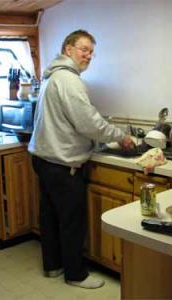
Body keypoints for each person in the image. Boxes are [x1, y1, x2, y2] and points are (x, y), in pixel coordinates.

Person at [28, 29, 135, 289]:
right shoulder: (69, 80)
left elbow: (75, 121)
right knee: (72, 221)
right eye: (83, 49)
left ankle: (53, 266)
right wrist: (120, 136)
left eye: (91, 52)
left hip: (44, 159)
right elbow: (89, 122)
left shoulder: (51, 75)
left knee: (51, 217)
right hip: (63, 164)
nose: (88, 55)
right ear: (68, 49)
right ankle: (76, 275)